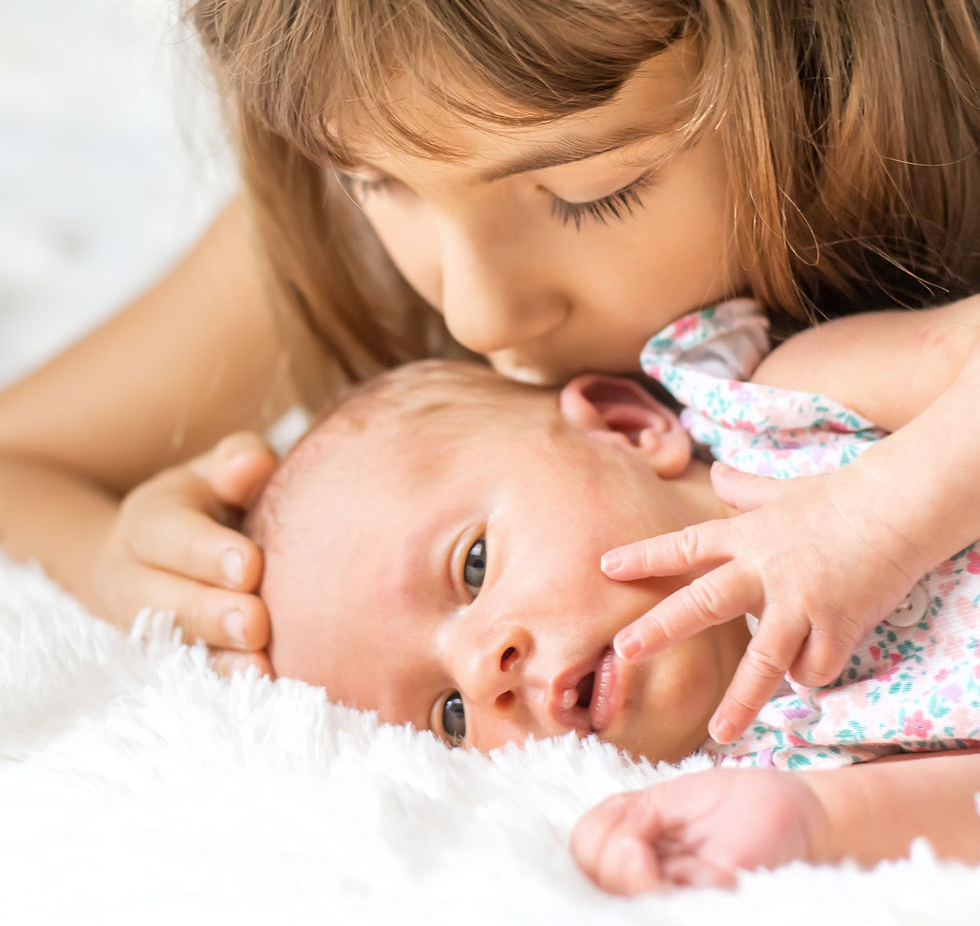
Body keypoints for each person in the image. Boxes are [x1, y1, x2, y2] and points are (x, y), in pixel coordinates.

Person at [0, 0, 976, 740]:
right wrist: (124, 567)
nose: (474, 314)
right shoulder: (360, 218)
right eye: (369, 178)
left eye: (590, 192)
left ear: (834, 30)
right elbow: (18, 460)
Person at [245, 294, 980, 892]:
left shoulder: (785, 410)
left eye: (473, 566)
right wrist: (823, 820)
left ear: (626, 428)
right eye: (451, 714)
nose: (481, 670)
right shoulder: (767, 770)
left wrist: (878, 516)